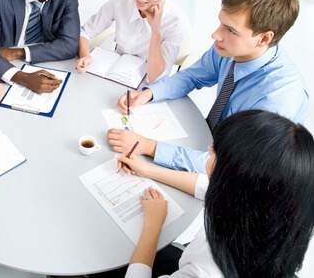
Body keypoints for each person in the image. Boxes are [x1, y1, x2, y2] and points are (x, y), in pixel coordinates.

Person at [108, 0, 309, 196]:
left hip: (236, 187)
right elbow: (192, 76)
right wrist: (148, 93)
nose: (216, 35)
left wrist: (150, 147)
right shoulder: (230, 49)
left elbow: (229, 166)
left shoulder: (278, 99)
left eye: (230, 30)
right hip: (207, 144)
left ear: (263, 39)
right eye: (221, 23)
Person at [119, 110, 314, 277]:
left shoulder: (204, 269)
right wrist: (148, 170)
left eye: (216, 153)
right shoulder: (276, 213)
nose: (209, 148)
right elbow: (207, 185)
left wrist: (152, 225)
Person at [76, 0, 186, 83]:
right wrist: (85, 56)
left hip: (143, 85)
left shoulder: (175, 20)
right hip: (113, 77)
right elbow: (86, 32)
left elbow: (156, 78)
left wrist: (155, 30)